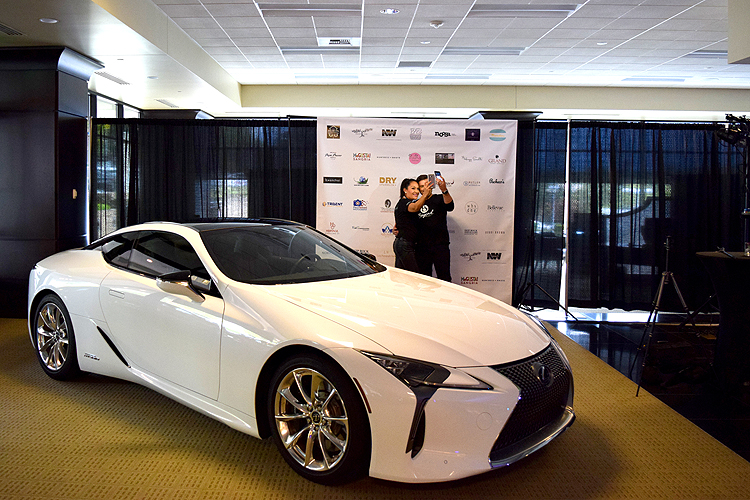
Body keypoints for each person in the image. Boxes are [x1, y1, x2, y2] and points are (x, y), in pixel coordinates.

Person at [415, 174, 454, 282]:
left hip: (440, 246)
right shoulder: (415, 204)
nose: (425, 188)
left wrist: (444, 190)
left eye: (427, 184)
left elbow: (450, 206)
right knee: (424, 279)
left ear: (432, 185)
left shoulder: (439, 198)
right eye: (422, 186)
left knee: (444, 277)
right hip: (421, 247)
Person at [393, 178, 430, 273]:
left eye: (417, 188)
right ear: (405, 190)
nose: (416, 191)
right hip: (405, 244)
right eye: (413, 188)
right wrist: (425, 194)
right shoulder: (404, 203)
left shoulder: (403, 203)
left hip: (404, 243)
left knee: (401, 276)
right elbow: (415, 208)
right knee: (414, 275)